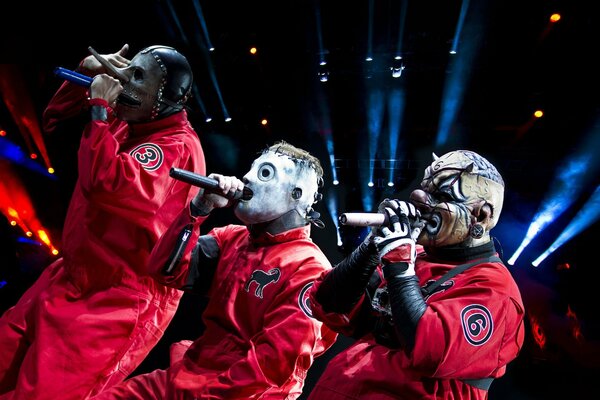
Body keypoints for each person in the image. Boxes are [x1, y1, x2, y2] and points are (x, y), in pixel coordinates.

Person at [0, 44, 205, 399]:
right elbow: (54, 117)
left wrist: (99, 106)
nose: (123, 81)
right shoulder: (134, 119)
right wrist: (88, 71)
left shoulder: (177, 147)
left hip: (115, 303)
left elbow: (107, 184)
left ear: (168, 98)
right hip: (72, 276)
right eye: (127, 70)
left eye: (137, 77)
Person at [90, 140, 338, 399]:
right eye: (251, 171)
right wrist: (198, 209)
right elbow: (163, 269)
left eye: (265, 173)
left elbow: (271, 365)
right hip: (191, 374)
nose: (248, 179)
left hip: (249, 393)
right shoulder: (231, 238)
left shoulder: (309, 269)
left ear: (296, 194)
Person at [307, 149, 526, 399]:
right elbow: (329, 303)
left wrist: (399, 266)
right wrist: (372, 246)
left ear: (481, 215)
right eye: (426, 191)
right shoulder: (413, 254)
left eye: (441, 196)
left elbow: (429, 351)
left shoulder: (494, 287)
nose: (422, 202)